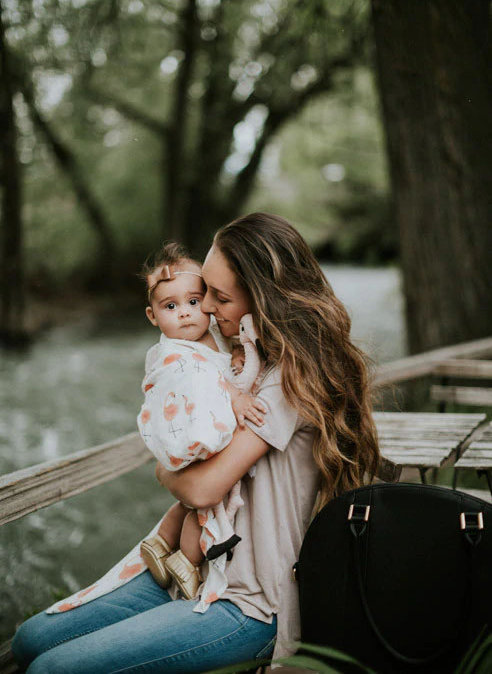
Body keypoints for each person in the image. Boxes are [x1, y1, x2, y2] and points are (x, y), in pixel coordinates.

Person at [11, 212, 380, 673]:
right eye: (204, 291)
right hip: (198, 569)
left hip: (248, 601)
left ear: (264, 297)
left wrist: (164, 470)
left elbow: (202, 489)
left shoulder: (291, 376)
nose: (203, 307)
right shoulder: (239, 355)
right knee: (28, 642)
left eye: (218, 297)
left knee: (51, 669)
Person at [136, 241, 266, 606]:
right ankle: (188, 561)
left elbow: (223, 357)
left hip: (201, 430)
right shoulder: (173, 351)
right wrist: (236, 394)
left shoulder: (212, 334)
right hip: (192, 429)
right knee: (208, 497)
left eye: (194, 301)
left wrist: (237, 352)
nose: (186, 313)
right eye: (170, 307)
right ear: (152, 317)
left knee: (198, 496)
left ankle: (161, 542)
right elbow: (204, 378)